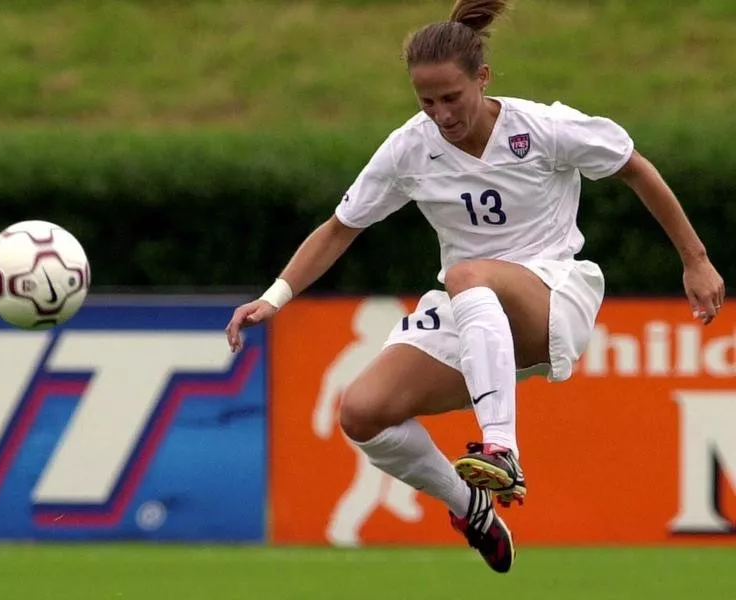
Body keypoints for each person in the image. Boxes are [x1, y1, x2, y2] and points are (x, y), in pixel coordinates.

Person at [226, 0, 725, 574]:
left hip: (551, 298)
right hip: (473, 314)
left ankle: (501, 448)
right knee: (362, 413)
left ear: (482, 78)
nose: (441, 113)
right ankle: (471, 506)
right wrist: (274, 296)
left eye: (451, 97)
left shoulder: (542, 128)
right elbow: (342, 228)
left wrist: (696, 259)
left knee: (467, 272)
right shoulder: (410, 148)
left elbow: (634, 165)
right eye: (427, 102)